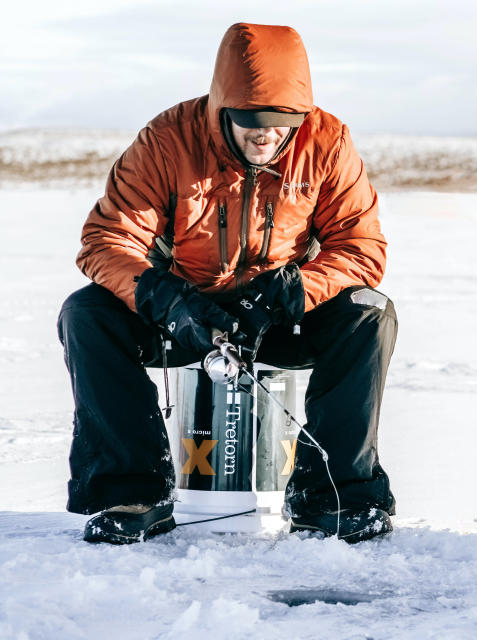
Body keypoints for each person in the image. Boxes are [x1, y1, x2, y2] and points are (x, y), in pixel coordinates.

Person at [57, 22, 397, 545]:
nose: (266, 135)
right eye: (251, 122)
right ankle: (131, 492)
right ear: (222, 110)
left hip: (281, 312)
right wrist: (161, 296)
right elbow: (107, 239)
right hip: (184, 313)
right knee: (88, 313)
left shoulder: (328, 142)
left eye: (281, 124)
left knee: (369, 312)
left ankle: (335, 496)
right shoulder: (167, 141)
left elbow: (361, 245)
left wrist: (299, 290)